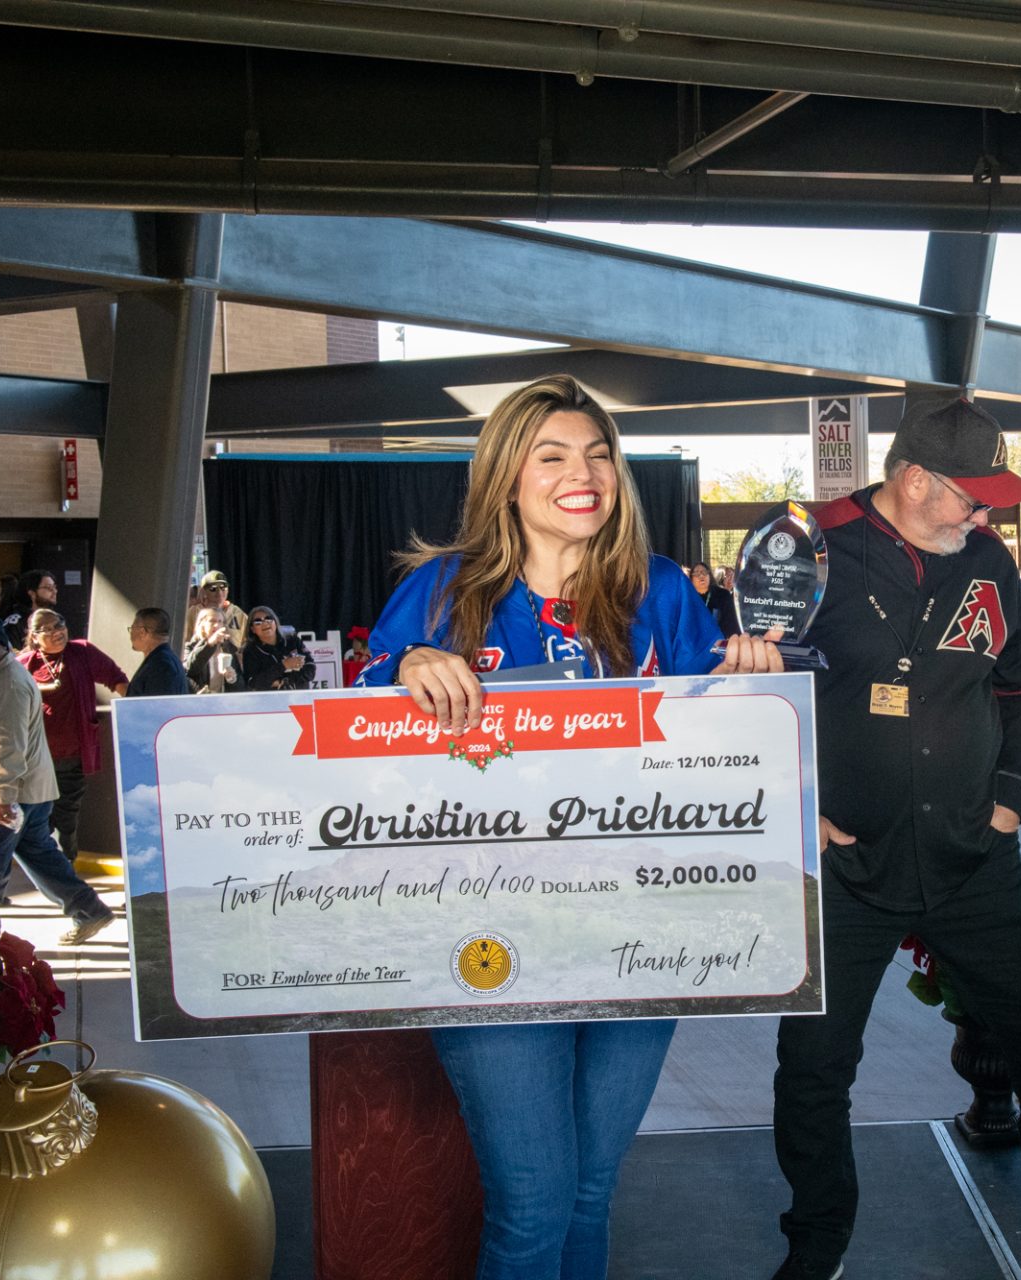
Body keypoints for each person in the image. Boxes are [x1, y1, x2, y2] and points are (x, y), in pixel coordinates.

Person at [358, 374, 781, 1280]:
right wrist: (408, 674)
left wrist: (753, 685)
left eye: (597, 454)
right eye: (551, 455)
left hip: (643, 930)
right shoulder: (442, 593)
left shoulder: (663, 591)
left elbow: (723, 758)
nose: (580, 472)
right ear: (506, 475)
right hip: (487, 936)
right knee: (534, 1204)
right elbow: (351, 750)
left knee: (591, 1192)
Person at [771, 396, 1021, 1280]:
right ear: (914, 480)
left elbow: (1018, 691)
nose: (987, 513)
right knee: (812, 1069)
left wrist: (1009, 800)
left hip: (974, 860)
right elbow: (751, 707)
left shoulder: (989, 564)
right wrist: (795, 805)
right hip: (847, 867)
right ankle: (816, 1246)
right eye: (972, 495)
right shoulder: (812, 558)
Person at [0, 618, 115, 945]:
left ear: (5, 645)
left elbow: (9, 743)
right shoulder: (0, 677)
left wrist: (4, 797)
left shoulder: (7, 685)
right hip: (28, 791)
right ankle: (89, 911)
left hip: (2, 794)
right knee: (40, 855)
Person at [21, 608, 128, 861]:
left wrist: (140, 711)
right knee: (39, 820)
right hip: (35, 759)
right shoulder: (23, 665)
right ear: (34, 637)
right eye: (48, 629)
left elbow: (117, 679)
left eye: (60, 625)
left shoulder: (82, 652)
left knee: (66, 819)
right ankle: (51, 873)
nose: (57, 632)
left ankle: (66, 867)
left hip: (73, 756)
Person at [240, 607, 315, 691]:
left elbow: (311, 668)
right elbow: (253, 683)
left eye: (268, 619)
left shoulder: (293, 640)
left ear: (275, 621)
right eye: (258, 622)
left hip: (299, 698)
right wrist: (284, 665)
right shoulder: (250, 651)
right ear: (252, 629)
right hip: (270, 701)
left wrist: (284, 681)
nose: (265, 623)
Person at [126, 607, 190, 697]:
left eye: (132, 628)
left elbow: (157, 707)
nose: (130, 634)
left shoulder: (161, 666)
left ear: (142, 633)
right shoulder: (167, 659)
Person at [185, 609, 242, 693]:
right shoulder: (189, 647)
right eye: (212, 621)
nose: (216, 625)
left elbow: (240, 685)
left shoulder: (228, 648)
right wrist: (210, 644)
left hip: (223, 701)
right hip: (199, 700)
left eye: (220, 621)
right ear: (202, 625)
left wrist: (232, 679)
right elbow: (190, 669)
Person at [0, 571, 58, 649]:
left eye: (55, 587)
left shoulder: (56, 618)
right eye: (49, 588)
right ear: (32, 593)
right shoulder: (15, 623)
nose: (54, 591)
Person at [688, 561, 740, 638]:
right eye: (696, 573)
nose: (701, 575)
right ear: (691, 579)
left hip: (718, 641)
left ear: (710, 576)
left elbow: (732, 624)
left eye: (704, 572)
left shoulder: (723, 595)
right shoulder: (688, 599)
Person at [193, 571, 247, 637]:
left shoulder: (238, 613)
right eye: (213, 589)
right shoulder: (194, 612)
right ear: (204, 591)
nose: (219, 592)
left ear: (228, 590)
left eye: (223, 588)